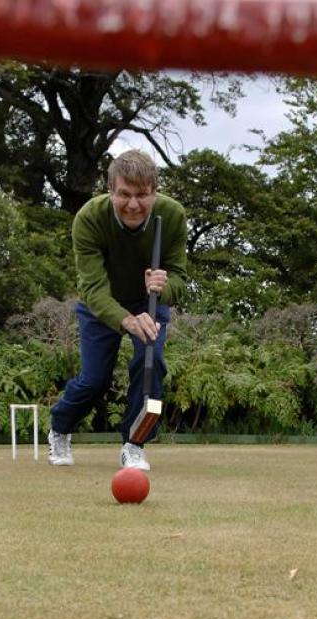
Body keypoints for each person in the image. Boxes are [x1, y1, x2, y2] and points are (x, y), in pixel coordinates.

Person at [47, 150, 187, 470]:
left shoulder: (173, 216)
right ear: (110, 190)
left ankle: (134, 444)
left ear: (155, 190)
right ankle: (60, 427)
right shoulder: (90, 218)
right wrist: (125, 319)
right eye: (124, 194)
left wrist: (164, 286)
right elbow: (93, 289)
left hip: (150, 303)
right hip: (102, 304)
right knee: (95, 380)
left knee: (151, 366)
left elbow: (180, 279)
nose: (133, 204)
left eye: (142, 195)